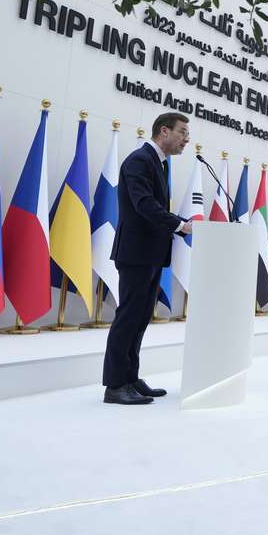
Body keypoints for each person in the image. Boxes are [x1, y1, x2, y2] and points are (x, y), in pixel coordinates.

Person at [103, 112, 191, 406]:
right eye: (182, 132)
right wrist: (179, 225)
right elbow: (144, 204)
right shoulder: (140, 160)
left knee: (140, 318)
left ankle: (130, 377)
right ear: (163, 132)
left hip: (151, 253)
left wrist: (179, 223)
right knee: (128, 317)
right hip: (136, 253)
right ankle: (115, 385)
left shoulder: (159, 163)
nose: (186, 139)